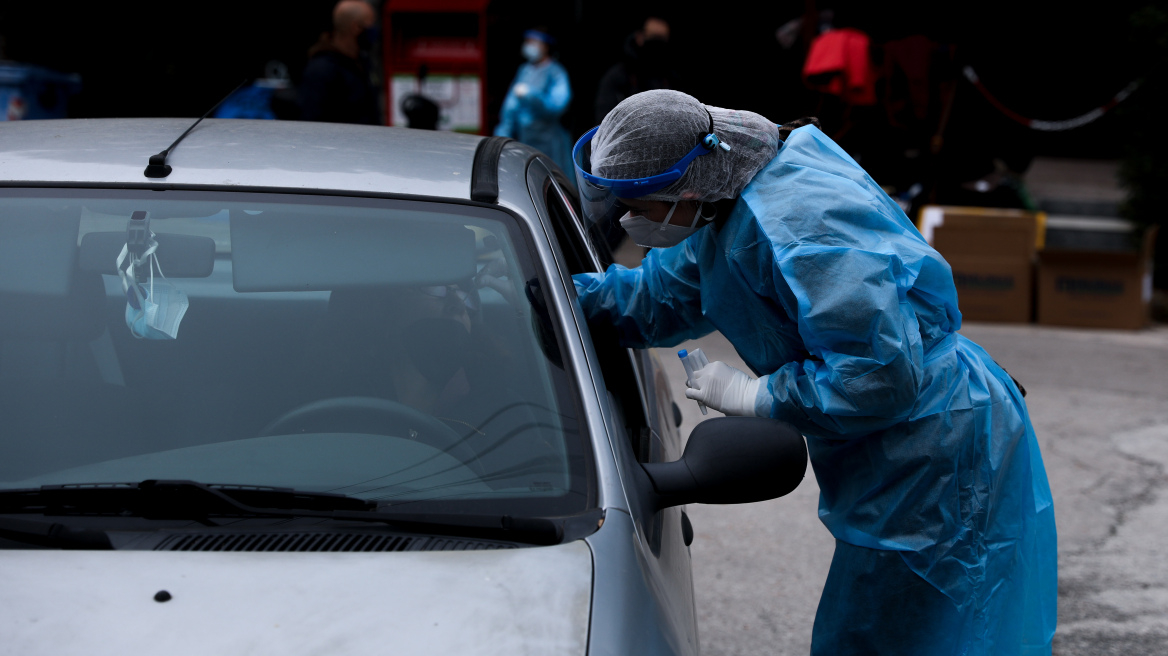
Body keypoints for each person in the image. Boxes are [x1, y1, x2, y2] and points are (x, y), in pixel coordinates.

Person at [571, 90, 1057, 656]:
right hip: (899, 450)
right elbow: (661, 295)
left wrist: (760, 396)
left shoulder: (802, 225)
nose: (631, 223)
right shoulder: (721, 203)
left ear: (689, 189)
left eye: (639, 207)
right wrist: (557, 296)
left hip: (938, 446)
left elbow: (880, 374)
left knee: (936, 631)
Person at [494, 28, 573, 175]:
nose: (529, 46)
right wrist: (502, 135)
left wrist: (531, 95)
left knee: (555, 177)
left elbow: (556, 106)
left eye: (534, 42)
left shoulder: (556, 72)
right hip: (526, 138)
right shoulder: (524, 70)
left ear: (545, 46)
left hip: (550, 140)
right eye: (527, 42)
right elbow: (510, 107)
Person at [299, 0, 380, 125]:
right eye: (370, 25)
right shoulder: (322, 69)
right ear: (355, 27)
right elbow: (313, 123)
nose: (373, 31)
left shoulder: (362, 62)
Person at [594, 17, 681, 123]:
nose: (657, 46)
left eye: (661, 39)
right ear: (639, 37)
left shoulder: (673, 78)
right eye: (653, 38)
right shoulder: (618, 76)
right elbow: (604, 120)